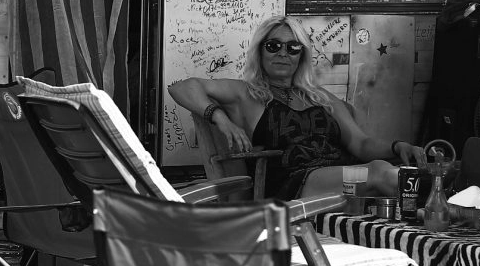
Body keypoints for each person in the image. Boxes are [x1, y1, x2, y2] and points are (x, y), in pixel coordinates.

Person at [169, 18, 425, 200]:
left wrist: (398, 146)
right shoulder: (245, 93)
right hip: (293, 186)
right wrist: (220, 119)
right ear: (260, 51)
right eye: (273, 46)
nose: (283, 53)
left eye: (292, 48)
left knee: (389, 172)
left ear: (301, 55)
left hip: (340, 177)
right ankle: (436, 200)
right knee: (380, 173)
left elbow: (361, 144)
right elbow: (181, 87)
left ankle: (433, 209)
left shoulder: (320, 96)